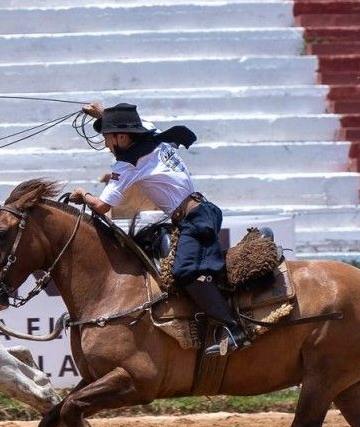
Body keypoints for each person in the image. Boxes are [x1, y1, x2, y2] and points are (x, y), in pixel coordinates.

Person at [69, 102, 249, 355]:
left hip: (194, 218)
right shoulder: (151, 133)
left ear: (122, 137)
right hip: (199, 212)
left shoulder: (127, 165)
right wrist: (103, 114)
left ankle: (234, 329)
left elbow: (101, 206)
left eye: (108, 138)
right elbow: (134, 123)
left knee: (184, 270)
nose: (107, 146)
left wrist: (83, 195)